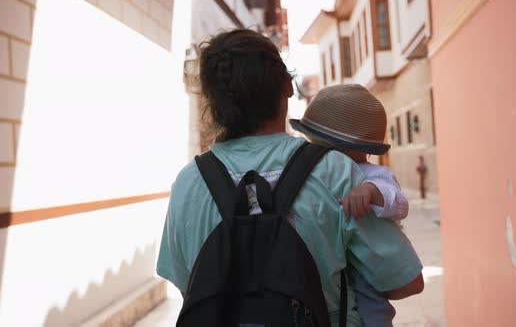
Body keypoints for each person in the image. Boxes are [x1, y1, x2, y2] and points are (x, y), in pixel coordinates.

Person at [156, 29, 424, 326]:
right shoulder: (334, 171)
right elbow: (406, 282)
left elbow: (189, 289)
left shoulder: (188, 184)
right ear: (286, 85)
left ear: (213, 100)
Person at [290, 84, 411, 327]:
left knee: (374, 311)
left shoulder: (375, 175)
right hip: (339, 265)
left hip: (369, 266)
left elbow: (400, 204)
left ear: (342, 149)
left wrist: (372, 192)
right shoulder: (321, 172)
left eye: (317, 145)